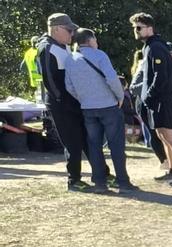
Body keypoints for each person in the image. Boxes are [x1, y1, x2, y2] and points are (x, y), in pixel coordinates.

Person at [64, 28, 136, 194]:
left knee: (94, 145)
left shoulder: (71, 59)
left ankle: (99, 182)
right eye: (95, 40)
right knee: (116, 145)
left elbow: (69, 86)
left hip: (88, 108)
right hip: (109, 106)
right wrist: (120, 97)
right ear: (90, 40)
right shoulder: (100, 55)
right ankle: (123, 181)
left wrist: (83, 99)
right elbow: (111, 78)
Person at [130, 12, 172, 187]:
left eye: (139, 27)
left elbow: (160, 76)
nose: (136, 30)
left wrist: (149, 95)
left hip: (161, 100)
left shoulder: (156, 47)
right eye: (135, 27)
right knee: (162, 135)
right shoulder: (150, 46)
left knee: (170, 136)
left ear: (149, 28)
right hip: (157, 100)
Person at [36, 13, 95, 191]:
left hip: (73, 102)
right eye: (69, 30)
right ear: (56, 29)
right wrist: (62, 100)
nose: (72, 34)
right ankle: (74, 180)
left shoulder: (63, 46)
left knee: (87, 138)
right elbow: (50, 80)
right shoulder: (47, 47)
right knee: (73, 142)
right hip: (61, 104)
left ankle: (101, 173)